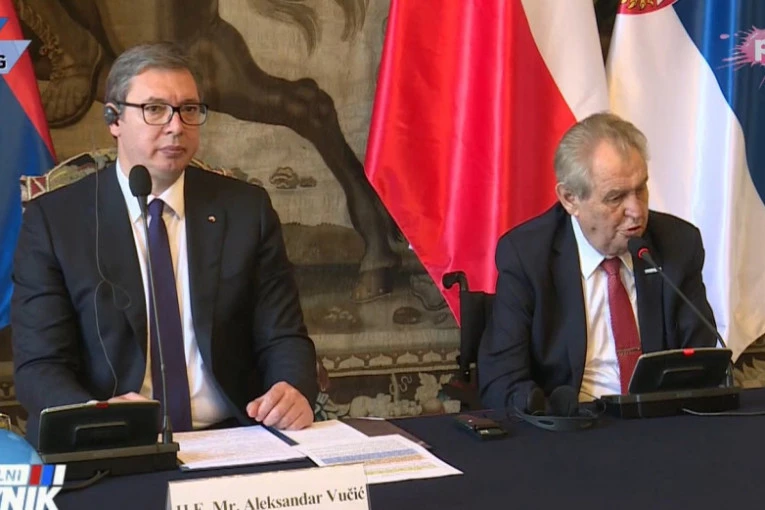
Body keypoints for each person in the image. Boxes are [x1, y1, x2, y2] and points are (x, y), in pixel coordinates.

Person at [11, 42, 318, 446]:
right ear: (114, 119)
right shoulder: (55, 222)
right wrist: (93, 418)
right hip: (113, 441)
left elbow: (283, 336)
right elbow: (40, 366)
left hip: (236, 436)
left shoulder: (246, 210)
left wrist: (291, 388)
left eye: (189, 109)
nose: (176, 126)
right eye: (155, 109)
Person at [478, 112, 717, 413]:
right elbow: (501, 381)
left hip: (659, 421)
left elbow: (700, 360)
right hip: (573, 425)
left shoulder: (677, 244)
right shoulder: (527, 255)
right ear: (570, 199)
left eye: (640, 189)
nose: (636, 211)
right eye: (616, 197)